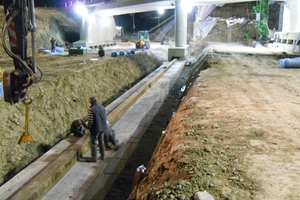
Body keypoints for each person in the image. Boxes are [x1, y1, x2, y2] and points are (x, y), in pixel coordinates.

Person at [86, 97, 107, 162]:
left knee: (93, 143)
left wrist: (88, 128)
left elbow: (90, 121)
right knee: (101, 141)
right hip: (103, 127)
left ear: (90, 102)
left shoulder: (91, 109)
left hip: (95, 129)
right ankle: (103, 156)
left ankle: (94, 157)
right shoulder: (102, 107)